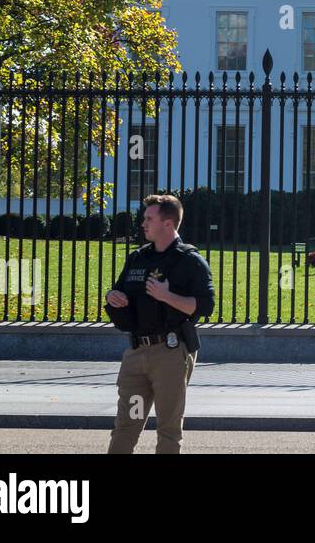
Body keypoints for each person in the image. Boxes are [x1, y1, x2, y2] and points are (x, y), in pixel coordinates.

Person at [104, 194, 215, 454]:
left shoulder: (190, 262)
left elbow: (205, 307)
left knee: (168, 429)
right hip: (136, 357)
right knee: (126, 425)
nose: (143, 223)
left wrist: (167, 296)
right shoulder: (138, 259)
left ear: (168, 223)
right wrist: (113, 297)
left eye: (149, 218)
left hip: (170, 356)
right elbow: (119, 293)